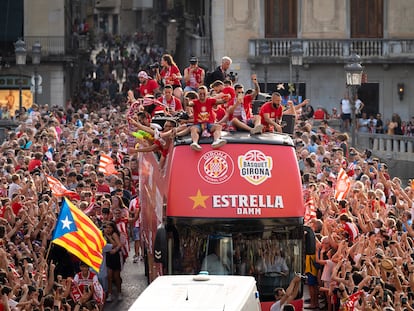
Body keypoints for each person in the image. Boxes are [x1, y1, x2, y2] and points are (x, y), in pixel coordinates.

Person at [187, 85, 228, 151]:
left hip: (209, 124)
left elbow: (221, 101)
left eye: (204, 93)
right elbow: (189, 103)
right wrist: (187, 101)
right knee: (193, 129)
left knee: (218, 127)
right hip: (198, 124)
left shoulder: (210, 100)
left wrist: (226, 99)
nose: (202, 95)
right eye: (200, 93)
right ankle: (195, 143)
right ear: (198, 94)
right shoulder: (195, 102)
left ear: (207, 93)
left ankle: (216, 140)